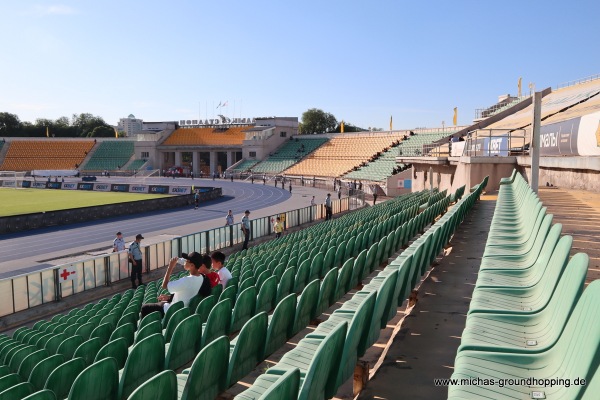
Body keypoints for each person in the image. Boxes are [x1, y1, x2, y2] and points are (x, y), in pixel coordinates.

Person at [140, 252, 209, 318]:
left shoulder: (186, 280)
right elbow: (186, 292)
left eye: (186, 261)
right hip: (183, 309)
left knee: (144, 308)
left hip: (172, 311)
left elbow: (164, 285)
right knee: (160, 302)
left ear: (192, 265)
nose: (184, 261)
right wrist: (169, 297)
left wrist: (170, 267)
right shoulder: (201, 277)